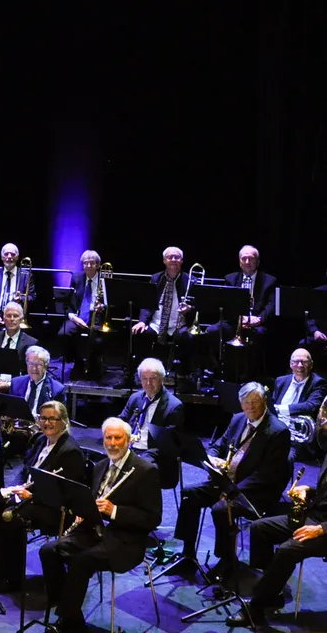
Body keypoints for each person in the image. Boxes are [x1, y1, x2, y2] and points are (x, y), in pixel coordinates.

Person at [35, 417, 162, 633]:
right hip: (93, 532)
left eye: (118, 438)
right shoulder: (99, 465)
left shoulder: (145, 470)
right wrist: (85, 509)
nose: (112, 443)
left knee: (81, 561)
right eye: (108, 438)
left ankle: (66, 629)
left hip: (125, 541)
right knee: (49, 550)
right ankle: (73, 616)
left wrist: (114, 510)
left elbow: (152, 518)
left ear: (128, 440)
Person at [173, 381, 290, 576]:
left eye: (255, 401)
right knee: (188, 495)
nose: (250, 407)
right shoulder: (237, 419)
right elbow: (217, 445)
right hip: (226, 482)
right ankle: (188, 555)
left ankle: (227, 559)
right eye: (245, 402)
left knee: (221, 509)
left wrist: (231, 491)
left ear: (265, 402)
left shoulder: (278, 431)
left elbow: (267, 475)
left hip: (255, 491)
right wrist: (211, 458)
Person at [0, 400, 85, 592]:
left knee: (12, 518)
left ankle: (14, 579)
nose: (46, 423)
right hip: (31, 496)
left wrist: (30, 495)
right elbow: (25, 469)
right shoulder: (40, 440)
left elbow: (64, 493)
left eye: (52, 419)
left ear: (64, 421)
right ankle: (1, 571)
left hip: (55, 508)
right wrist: (13, 488)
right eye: (43, 418)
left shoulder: (70, 451)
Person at [225, 452, 327, 628]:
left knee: (288, 550)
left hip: (323, 529)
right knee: (259, 528)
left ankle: (256, 609)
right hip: (315, 516)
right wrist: (308, 490)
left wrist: (321, 529)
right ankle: (271, 590)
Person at [118, 358, 185, 488]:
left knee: (136, 472)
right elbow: (121, 420)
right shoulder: (135, 398)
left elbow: (167, 445)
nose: (148, 383)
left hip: (156, 456)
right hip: (130, 449)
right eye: (144, 378)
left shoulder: (174, 406)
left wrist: (140, 457)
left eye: (153, 378)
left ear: (162, 379)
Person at [130, 246, 194, 378]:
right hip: (156, 324)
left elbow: (197, 304)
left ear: (181, 261)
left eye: (177, 257)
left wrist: (190, 308)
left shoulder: (189, 280)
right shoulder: (156, 278)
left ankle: (184, 376)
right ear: (164, 260)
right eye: (170, 257)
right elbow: (146, 302)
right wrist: (142, 321)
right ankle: (133, 375)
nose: (173, 260)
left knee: (189, 338)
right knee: (138, 333)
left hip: (179, 325)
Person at [207, 245, 278, 347]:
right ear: (240, 262)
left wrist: (258, 319)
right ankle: (219, 362)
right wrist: (240, 318)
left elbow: (272, 305)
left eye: (251, 258)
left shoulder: (269, 281)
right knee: (212, 331)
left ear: (257, 262)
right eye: (244, 259)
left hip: (257, 324)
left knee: (260, 334)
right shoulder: (230, 279)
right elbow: (226, 304)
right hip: (234, 322)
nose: (247, 262)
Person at [270, 348, 326, 463]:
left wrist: (280, 409)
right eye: (296, 362)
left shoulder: (319, 383)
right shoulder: (280, 381)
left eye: (304, 362)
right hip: (276, 432)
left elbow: (311, 406)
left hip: (298, 440)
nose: (300, 365)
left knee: (282, 459)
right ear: (291, 364)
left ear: (311, 365)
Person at [59, 250, 108, 382]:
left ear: (98, 265)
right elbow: (69, 301)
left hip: (97, 318)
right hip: (78, 316)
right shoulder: (77, 277)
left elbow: (113, 302)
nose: (88, 266)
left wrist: (103, 307)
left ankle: (93, 364)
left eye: (92, 263)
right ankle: (78, 362)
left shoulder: (105, 279)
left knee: (97, 341)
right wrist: (73, 317)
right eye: (85, 263)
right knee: (64, 333)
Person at [0, 243, 36, 336]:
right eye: (6, 254)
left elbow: (32, 297)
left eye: (13, 254)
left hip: (16, 314)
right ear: (2, 257)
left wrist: (21, 299)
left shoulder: (26, 275)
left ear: (17, 257)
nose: (9, 257)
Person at [0, 302, 37, 390]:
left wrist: (10, 385)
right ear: (3, 318)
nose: (12, 319)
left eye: (15, 316)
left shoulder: (31, 343)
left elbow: (32, 373)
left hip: (17, 391)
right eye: (8, 315)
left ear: (21, 319)